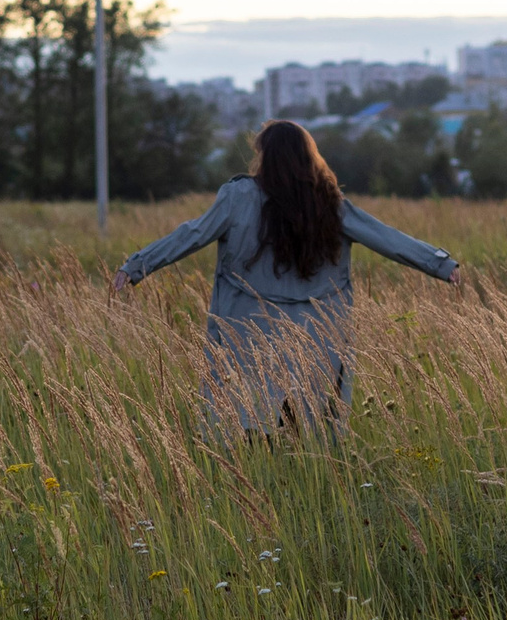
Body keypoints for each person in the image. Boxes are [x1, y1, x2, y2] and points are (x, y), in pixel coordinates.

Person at [110, 120, 461, 434]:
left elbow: (191, 234)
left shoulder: (237, 197)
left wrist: (137, 266)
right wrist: (441, 264)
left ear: (266, 156)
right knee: (309, 436)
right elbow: (388, 237)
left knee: (243, 427)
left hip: (246, 333)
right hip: (317, 336)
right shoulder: (329, 203)